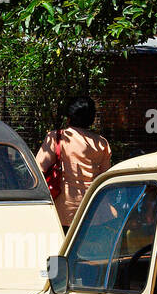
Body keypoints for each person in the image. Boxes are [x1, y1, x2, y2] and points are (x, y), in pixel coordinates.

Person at [35, 96, 112, 228]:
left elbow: (39, 169)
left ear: (69, 117)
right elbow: (106, 178)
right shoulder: (102, 143)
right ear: (91, 119)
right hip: (97, 211)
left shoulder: (56, 138)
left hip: (65, 212)